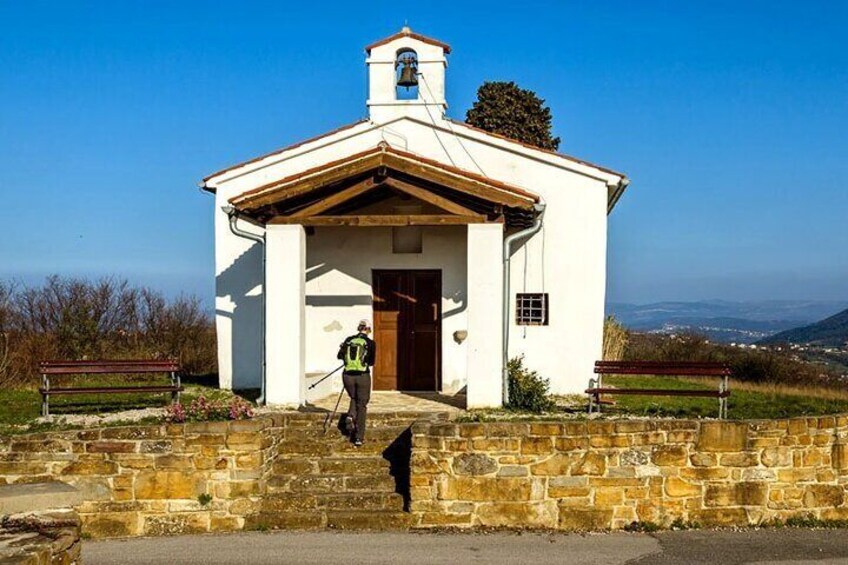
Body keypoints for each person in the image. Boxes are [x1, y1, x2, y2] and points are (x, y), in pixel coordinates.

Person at [337, 319, 376, 446]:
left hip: (347, 375)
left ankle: (351, 415)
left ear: (358, 328)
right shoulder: (370, 342)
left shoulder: (348, 340)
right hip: (362, 376)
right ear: (368, 329)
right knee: (362, 404)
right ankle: (359, 437)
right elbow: (371, 362)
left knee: (353, 397)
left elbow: (339, 356)